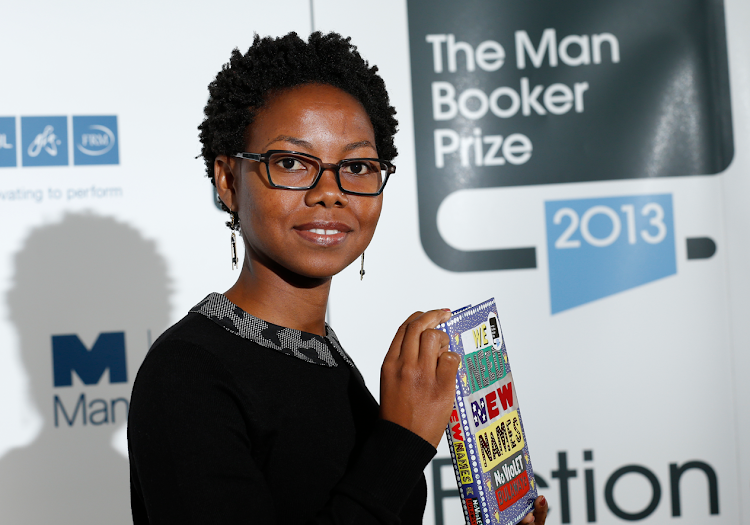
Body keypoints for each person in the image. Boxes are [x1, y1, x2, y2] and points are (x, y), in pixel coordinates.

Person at [127, 31, 548, 525]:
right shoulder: (188, 372)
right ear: (227, 180)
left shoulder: (325, 358)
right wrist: (401, 441)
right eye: (290, 162)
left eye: (357, 166)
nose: (331, 192)